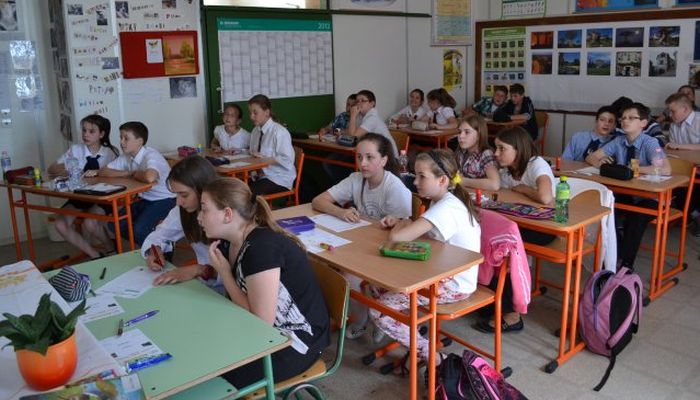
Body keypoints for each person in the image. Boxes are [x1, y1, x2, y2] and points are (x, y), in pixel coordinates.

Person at [197, 177, 330, 388]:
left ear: (228, 214)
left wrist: (225, 274)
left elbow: (260, 322)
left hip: (296, 344)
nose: (199, 217)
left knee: (208, 375)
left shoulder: (261, 249)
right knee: (201, 345)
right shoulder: (231, 243)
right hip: (265, 332)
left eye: (204, 209)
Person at [373, 149, 480, 362]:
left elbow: (397, 238)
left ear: (442, 180)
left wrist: (404, 221)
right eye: (416, 175)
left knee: (380, 310)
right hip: (438, 271)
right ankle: (405, 327)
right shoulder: (440, 200)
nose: (415, 182)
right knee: (378, 284)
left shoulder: (448, 207)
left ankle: (431, 355)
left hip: (455, 284)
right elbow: (423, 234)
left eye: (422, 176)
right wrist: (403, 223)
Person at [311, 133, 411, 340]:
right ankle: (362, 318)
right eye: (359, 157)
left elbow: (406, 230)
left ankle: (371, 318)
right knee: (323, 261)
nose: (362, 163)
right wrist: (341, 211)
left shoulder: (394, 187)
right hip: (361, 244)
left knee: (348, 275)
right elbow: (318, 201)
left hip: (387, 250)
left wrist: (394, 222)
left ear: (383, 160)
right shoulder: (356, 179)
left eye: (370, 157)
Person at [481, 126, 556, 333]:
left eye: (502, 148)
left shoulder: (536, 164)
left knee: (501, 244)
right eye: (496, 148)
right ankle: (492, 300)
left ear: (518, 149)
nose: (496, 153)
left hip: (544, 229)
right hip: (520, 224)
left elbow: (545, 197)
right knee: (486, 236)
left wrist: (524, 189)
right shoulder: (506, 171)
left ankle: (512, 315)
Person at [586, 102, 671, 269]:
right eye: (623, 118)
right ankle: (612, 254)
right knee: (605, 209)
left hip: (650, 197)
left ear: (643, 123)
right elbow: (591, 157)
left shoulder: (650, 142)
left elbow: (665, 169)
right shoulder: (619, 141)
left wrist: (633, 169)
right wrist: (602, 164)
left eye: (631, 118)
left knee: (636, 218)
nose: (625, 121)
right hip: (627, 193)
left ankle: (625, 264)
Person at [83, 121, 176, 250]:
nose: (121, 142)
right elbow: (104, 171)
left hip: (166, 199)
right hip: (145, 199)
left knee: (139, 229)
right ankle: (154, 246)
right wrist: (129, 173)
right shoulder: (126, 156)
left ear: (140, 141)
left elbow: (150, 177)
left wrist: (133, 174)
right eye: (121, 137)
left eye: (126, 138)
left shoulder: (151, 155)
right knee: (115, 225)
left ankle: (160, 250)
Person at [140, 155, 222, 290]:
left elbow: (236, 272)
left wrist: (200, 270)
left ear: (203, 189)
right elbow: (159, 234)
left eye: (184, 195)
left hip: (231, 293)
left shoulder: (226, 216)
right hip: (206, 286)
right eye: (176, 194)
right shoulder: (183, 211)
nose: (178, 202)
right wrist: (154, 251)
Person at [47, 114, 119, 259]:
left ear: (101, 134)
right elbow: (52, 169)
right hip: (80, 196)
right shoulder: (76, 149)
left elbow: (118, 176)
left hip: (102, 197)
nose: (86, 134)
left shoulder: (110, 152)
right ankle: (94, 254)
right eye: (84, 130)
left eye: (91, 131)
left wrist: (99, 172)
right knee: (60, 224)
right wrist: (68, 168)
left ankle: (111, 248)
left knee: (90, 223)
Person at [247, 94, 297, 195]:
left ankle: (255, 205)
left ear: (267, 112)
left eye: (255, 113)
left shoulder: (279, 132)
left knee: (246, 193)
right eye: (250, 113)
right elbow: (252, 152)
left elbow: (288, 160)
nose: (251, 116)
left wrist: (265, 160)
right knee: (235, 187)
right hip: (259, 175)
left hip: (278, 178)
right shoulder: (255, 131)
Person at [454, 114, 500, 191]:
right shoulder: (461, 152)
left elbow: (494, 184)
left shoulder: (486, 154)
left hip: (483, 196)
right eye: (459, 132)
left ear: (479, 135)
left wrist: (464, 181)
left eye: (467, 132)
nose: (461, 136)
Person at [347, 89, 398, 156]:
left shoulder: (372, 118)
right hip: (374, 152)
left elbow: (353, 137)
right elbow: (353, 131)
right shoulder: (361, 116)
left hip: (387, 157)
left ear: (372, 104)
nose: (359, 103)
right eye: (357, 101)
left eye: (363, 101)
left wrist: (353, 116)